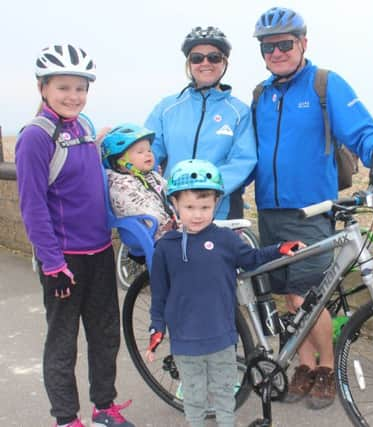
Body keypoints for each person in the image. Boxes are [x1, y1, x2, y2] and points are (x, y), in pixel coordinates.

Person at [251, 7, 373, 409]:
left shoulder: (323, 84)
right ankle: (303, 365)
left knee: (309, 297)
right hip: (269, 209)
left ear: (303, 43)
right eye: (269, 47)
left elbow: (362, 127)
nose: (277, 52)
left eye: (285, 44)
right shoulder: (260, 95)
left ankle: (328, 367)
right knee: (288, 294)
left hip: (313, 210)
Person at [15, 44, 135, 427]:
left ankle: (104, 408)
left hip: (100, 251)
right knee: (63, 343)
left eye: (80, 88)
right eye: (63, 87)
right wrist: (52, 263)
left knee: (105, 336)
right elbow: (32, 206)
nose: (73, 96)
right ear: (43, 88)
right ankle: (66, 419)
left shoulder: (82, 126)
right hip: (63, 260)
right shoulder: (36, 136)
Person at [145, 159, 302, 427]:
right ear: (175, 206)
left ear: (216, 204)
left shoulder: (226, 240)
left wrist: (279, 249)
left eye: (205, 207)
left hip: (223, 339)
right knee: (193, 399)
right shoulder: (165, 248)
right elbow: (159, 294)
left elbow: (252, 258)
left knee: (223, 395)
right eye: (189, 207)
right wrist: (156, 328)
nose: (197, 214)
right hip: (185, 342)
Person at [145, 25, 256, 220]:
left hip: (220, 209)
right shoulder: (167, 107)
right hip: (174, 208)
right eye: (197, 58)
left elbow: (242, 160)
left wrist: (206, 191)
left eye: (214, 57)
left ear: (224, 62)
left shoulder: (239, 112)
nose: (205, 63)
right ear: (189, 63)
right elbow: (149, 151)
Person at [102, 123, 177, 241]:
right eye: (140, 152)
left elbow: (171, 191)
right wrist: (169, 225)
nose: (148, 154)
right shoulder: (121, 185)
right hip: (152, 233)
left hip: (169, 228)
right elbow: (142, 209)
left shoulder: (150, 176)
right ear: (120, 162)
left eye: (149, 150)